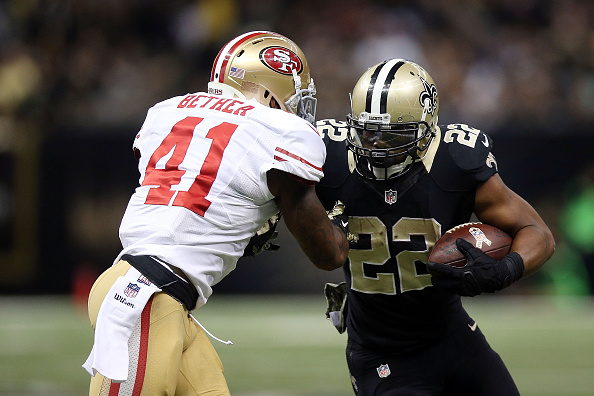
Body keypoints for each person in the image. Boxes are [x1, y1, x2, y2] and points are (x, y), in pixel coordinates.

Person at [82, 31, 349, 396]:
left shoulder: (168, 111)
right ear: (271, 88)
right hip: (146, 299)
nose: (297, 109)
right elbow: (328, 254)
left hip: (146, 289)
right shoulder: (281, 132)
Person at [316, 59, 555, 395]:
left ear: (427, 127)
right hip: (380, 351)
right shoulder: (328, 155)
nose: (376, 146)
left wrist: (507, 269)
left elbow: (538, 232)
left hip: (453, 337)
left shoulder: (455, 161)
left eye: (393, 134)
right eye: (368, 131)